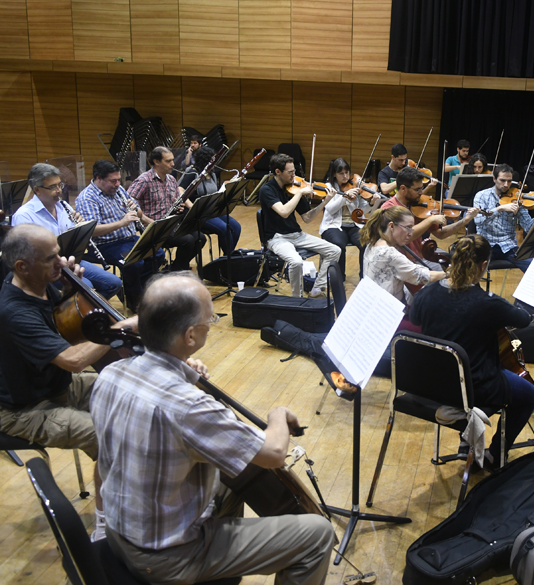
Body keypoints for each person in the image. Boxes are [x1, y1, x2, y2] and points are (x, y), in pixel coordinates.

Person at [91, 272, 334, 584]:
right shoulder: (187, 405)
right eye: (210, 320)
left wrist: (181, 370)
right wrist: (277, 414)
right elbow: (273, 453)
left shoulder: (111, 373)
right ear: (190, 336)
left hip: (119, 530)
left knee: (228, 478)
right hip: (166, 559)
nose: (212, 323)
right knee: (316, 534)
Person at [0, 224, 138, 539]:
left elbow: (64, 321)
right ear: (22, 266)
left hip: (58, 385)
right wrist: (120, 329)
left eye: (59, 253)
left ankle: (136, 489)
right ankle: (107, 525)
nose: (61, 262)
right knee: (106, 437)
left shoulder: (42, 284)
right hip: (24, 408)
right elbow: (74, 360)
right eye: (51, 258)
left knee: (130, 388)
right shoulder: (13, 311)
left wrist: (70, 289)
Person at [409, 234, 534, 469]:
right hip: (474, 388)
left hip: (430, 384)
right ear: (483, 266)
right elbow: (522, 320)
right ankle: (495, 455)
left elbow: (415, 317)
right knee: (529, 395)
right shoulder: (488, 303)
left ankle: (466, 442)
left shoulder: (426, 294)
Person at [12, 163, 122, 299]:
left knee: (114, 283)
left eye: (60, 185)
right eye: (53, 187)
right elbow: (27, 255)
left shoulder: (63, 206)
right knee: (86, 287)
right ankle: (71, 311)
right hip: (48, 268)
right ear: (37, 190)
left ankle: (83, 310)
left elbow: (72, 238)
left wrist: (81, 227)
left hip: (72, 260)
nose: (59, 190)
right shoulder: (24, 216)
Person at [77, 160, 159, 312]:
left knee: (157, 253)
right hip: (106, 244)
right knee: (135, 263)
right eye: (112, 181)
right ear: (98, 178)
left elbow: (138, 212)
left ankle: (137, 291)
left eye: (118, 180)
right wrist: (122, 222)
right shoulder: (87, 198)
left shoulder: (118, 189)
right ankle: (134, 300)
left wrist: (136, 210)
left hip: (128, 239)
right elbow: (92, 230)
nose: (117, 184)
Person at [259, 153, 341, 297]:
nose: (294, 176)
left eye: (294, 172)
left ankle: (317, 288)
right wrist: (300, 193)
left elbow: (308, 218)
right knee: (296, 262)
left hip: (297, 235)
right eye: (290, 172)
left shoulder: (294, 188)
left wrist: (325, 201)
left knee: (335, 250)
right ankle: (297, 299)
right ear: (278, 172)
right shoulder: (267, 190)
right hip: (277, 238)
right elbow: (283, 212)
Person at [360, 206, 445, 331]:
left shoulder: (373, 242)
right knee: (434, 329)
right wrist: (450, 274)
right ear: (391, 226)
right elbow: (423, 275)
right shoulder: (388, 253)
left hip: (376, 308)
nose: (411, 233)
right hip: (388, 318)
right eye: (408, 227)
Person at [128, 146, 205, 272]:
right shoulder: (144, 180)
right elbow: (129, 202)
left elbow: (175, 200)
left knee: (200, 238)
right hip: (154, 227)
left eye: (172, 160)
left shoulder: (171, 179)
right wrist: (144, 219)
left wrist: (179, 207)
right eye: (168, 161)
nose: (173, 164)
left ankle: (176, 268)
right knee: (188, 241)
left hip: (171, 224)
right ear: (156, 162)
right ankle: (179, 270)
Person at [380, 166, 478, 262]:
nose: (421, 192)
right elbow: (405, 237)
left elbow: (441, 234)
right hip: (400, 262)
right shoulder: (389, 208)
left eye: (421, 188)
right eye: (417, 189)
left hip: (420, 258)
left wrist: (464, 221)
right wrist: (430, 220)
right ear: (403, 189)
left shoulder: (421, 205)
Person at [473, 163, 534, 272]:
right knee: (471, 269)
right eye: (502, 180)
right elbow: (478, 221)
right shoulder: (481, 196)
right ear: (494, 179)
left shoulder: (517, 198)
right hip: (485, 245)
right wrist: (500, 209)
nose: (506, 185)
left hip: (508, 246)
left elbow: (529, 228)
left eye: (509, 181)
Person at [179, 145, 242, 256]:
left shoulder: (212, 173)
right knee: (224, 228)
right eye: (213, 160)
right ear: (205, 160)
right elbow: (180, 190)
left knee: (236, 227)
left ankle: (228, 258)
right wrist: (192, 207)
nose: (215, 162)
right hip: (197, 213)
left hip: (211, 210)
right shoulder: (193, 172)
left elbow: (214, 193)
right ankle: (229, 260)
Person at [319, 158, 374, 281]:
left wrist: (370, 203)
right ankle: (339, 279)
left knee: (366, 242)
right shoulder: (328, 187)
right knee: (338, 245)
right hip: (333, 225)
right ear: (334, 174)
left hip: (355, 225)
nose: (345, 176)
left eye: (347, 173)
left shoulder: (355, 185)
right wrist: (345, 196)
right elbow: (330, 209)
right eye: (341, 173)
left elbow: (361, 212)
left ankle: (364, 278)